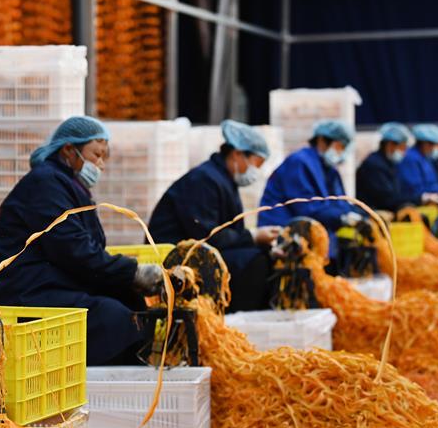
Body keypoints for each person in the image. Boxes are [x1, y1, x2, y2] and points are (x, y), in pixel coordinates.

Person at [0, 116, 164, 366]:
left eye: (104, 157)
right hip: (19, 291)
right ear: (68, 150)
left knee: (129, 300)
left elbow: (85, 248)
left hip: (45, 280)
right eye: (96, 154)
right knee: (114, 317)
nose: (100, 164)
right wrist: (133, 272)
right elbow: (75, 251)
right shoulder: (45, 184)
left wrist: (128, 278)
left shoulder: (66, 185)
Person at [148, 120, 279, 312]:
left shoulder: (223, 180)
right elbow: (208, 234)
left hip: (205, 250)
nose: (256, 172)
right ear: (237, 154)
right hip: (179, 257)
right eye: (255, 164)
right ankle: (237, 321)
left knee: (264, 256)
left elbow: (229, 232)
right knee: (254, 263)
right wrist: (252, 236)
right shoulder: (204, 180)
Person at [258, 120, 363, 260]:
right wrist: (342, 218)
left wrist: (360, 214)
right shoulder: (299, 162)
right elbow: (306, 208)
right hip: (282, 235)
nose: (341, 152)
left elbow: (340, 202)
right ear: (321, 140)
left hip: (308, 237)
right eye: (339, 146)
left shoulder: (329, 169)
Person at [355, 122, 412, 214]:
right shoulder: (374, 165)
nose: (404, 152)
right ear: (390, 145)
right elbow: (386, 199)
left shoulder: (389, 163)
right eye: (402, 148)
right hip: (372, 213)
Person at [396, 124, 438, 205]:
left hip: (432, 198)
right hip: (416, 204)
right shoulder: (410, 158)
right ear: (425, 144)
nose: (435, 148)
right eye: (433, 145)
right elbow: (415, 189)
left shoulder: (425, 157)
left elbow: (432, 181)